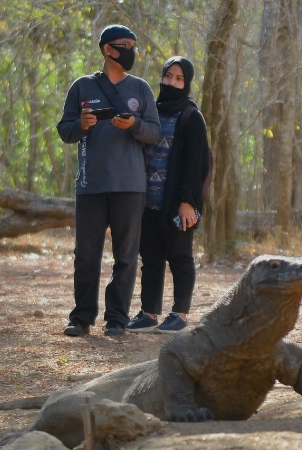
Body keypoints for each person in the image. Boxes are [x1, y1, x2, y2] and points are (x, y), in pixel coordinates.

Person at [57, 24, 161, 337]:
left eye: (134, 45)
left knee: (126, 256)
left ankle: (117, 318)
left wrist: (134, 124)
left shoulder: (141, 89)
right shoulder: (82, 87)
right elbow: (64, 130)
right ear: (108, 49)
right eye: (125, 45)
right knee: (86, 254)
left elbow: (154, 132)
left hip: (130, 185)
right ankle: (81, 318)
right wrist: (82, 125)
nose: (131, 50)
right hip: (91, 184)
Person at [125, 56, 210, 334]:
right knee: (150, 259)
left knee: (180, 257)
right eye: (168, 77)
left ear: (186, 83)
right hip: (148, 202)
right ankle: (149, 313)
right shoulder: (152, 112)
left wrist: (188, 202)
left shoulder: (191, 116)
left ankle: (180, 314)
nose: (172, 82)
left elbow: (196, 164)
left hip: (177, 203)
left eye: (179, 78)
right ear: (161, 78)